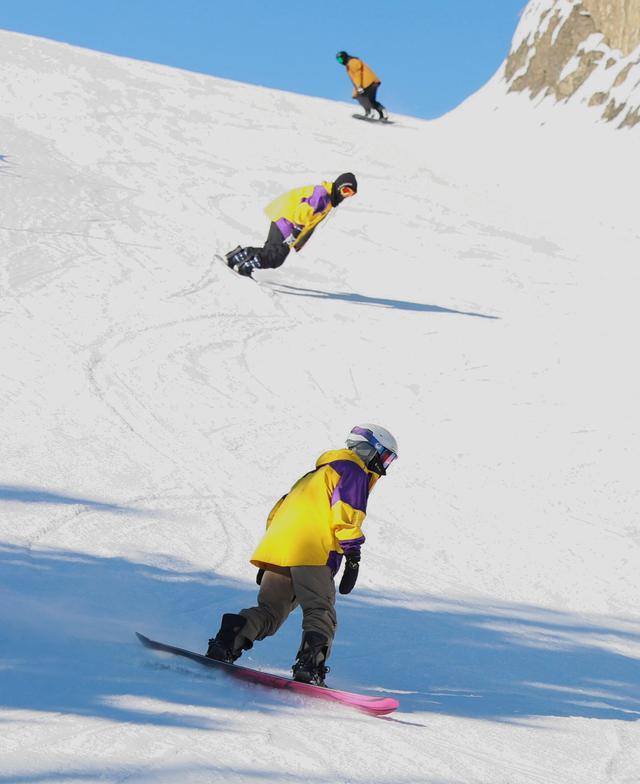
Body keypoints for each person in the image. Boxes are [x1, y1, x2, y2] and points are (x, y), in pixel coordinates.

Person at [206, 423, 398, 686]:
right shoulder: (353, 470)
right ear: (371, 450)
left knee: (270, 612)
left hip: (279, 549)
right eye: (385, 457)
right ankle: (310, 666)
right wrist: (353, 555)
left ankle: (226, 642)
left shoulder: (312, 475)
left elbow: (279, 510)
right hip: (312, 550)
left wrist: (272, 556)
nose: (384, 467)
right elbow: (345, 514)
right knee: (320, 610)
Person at [224, 173, 358, 277]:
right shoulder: (323, 196)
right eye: (345, 190)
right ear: (339, 186)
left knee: (273, 252)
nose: (345, 196)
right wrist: (296, 232)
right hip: (287, 220)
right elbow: (302, 213)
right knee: (276, 256)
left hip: (286, 219)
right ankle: (244, 266)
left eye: (350, 194)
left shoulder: (327, 197)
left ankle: (237, 257)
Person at [335, 51, 388, 120]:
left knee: (361, 97)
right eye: (338, 60)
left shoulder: (352, 62)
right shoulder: (350, 64)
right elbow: (355, 80)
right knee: (370, 100)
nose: (340, 62)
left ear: (344, 57)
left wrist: (359, 87)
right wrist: (356, 90)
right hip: (372, 82)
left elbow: (357, 75)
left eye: (340, 59)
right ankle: (383, 113)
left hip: (367, 83)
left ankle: (369, 112)